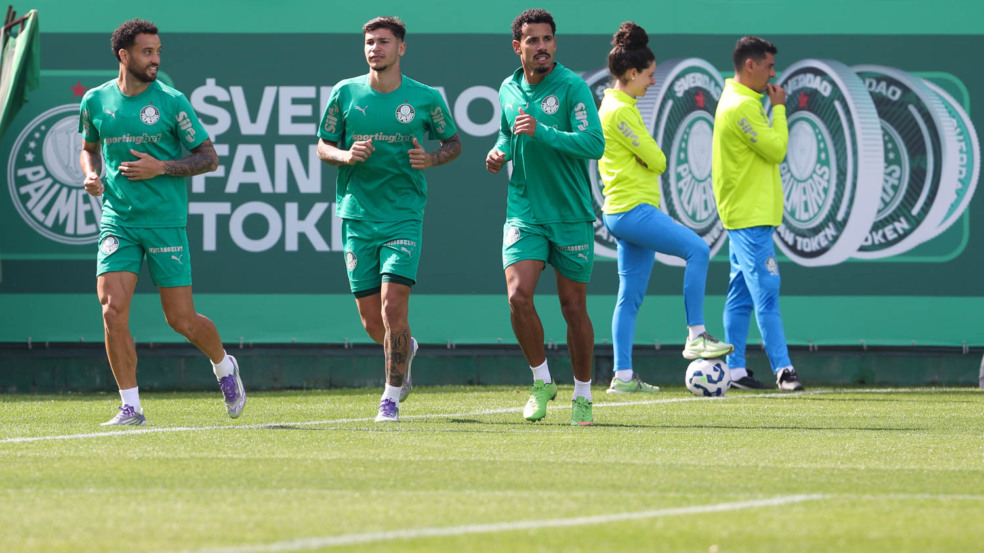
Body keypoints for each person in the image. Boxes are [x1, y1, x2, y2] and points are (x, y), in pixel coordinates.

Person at [79, 19, 244, 426]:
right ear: (124, 55)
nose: (155, 59)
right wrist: (91, 173)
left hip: (164, 222)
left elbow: (209, 157)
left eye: (158, 52)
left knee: (180, 319)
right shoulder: (95, 101)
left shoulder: (171, 101)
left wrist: (162, 167)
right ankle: (130, 406)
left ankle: (224, 366)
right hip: (118, 221)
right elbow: (89, 147)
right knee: (112, 311)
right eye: (146, 52)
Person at [317, 16, 461, 422]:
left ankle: (390, 397)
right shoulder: (345, 93)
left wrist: (431, 158)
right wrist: (344, 155)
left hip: (403, 215)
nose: (374, 49)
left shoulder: (425, 97)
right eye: (369, 42)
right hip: (357, 215)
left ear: (401, 48)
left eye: (383, 42)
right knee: (370, 320)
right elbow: (322, 145)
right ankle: (405, 350)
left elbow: (452, 142)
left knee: (392, 307)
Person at [598, 22, 734, 395]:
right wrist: (648, 158)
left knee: (630, 296)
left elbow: (650, 158)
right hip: (631, 211)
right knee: (697, 249)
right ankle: (696, 335)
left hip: (626, 210)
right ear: (630, 73)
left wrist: (646, 158)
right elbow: (657, 159)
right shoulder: (618, 111)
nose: (652, 82)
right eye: (649, 75)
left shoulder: (621, 105)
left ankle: (623, 378)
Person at [486, 8, 605, 426]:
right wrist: (499, 150)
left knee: (573, 308)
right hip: (524, 210)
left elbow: (593, 143)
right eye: (533, 40)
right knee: (518, 296)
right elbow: (507, 129)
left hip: (570, 212)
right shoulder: (507, 87)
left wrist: (543, 131)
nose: (542, 47)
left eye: (548, 39)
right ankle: (540, 381)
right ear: (517, 46)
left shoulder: (572, 87)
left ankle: (584, 394)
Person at [711, 36, 803, 391]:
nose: (773, 74)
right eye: (768, 66)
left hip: (748, 215)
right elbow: (777, 149)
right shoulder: (741, 106)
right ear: (750, 65)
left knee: (740, 295)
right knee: (767, 289)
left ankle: (734, 370)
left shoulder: (743, 100)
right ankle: (784, 370)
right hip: (749, 217)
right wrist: (779, 107)